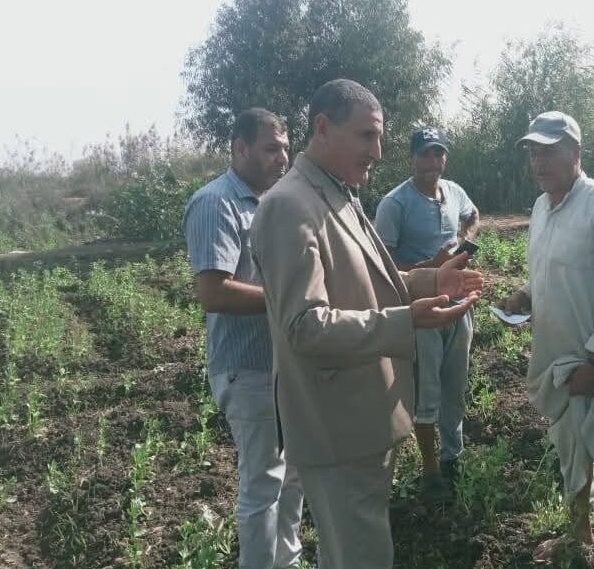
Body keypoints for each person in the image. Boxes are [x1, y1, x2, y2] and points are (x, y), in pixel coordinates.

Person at [250, 79, 483, 569]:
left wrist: (428, 279)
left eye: (379, 138)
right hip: (337, 429)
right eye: (366, 136)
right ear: (322, 128)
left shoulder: (337, 192)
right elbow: (305, 326)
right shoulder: (290, 205)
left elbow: (366, 278)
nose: (377, 151)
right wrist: (406, 321)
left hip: (363, 422)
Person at [500, 111, 594, 569]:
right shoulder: (542, 208)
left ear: (576, 153)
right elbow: (548, 276)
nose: (539, 161)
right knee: (571, 448)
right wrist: (524, 296)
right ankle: (578, 531)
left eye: (550, 150)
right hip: (559, 356)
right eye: (533, 151)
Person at [181, 107, 305, 569]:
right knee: (263, 483)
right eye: (271, 148)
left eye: (286, 148)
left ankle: (285, 562)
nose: (282, 157)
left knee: (293, 475)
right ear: (240, 148)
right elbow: (213, 291)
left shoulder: (273, 202)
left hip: (283, 366)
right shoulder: (217, 203)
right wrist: (288, 302)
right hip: (249, 368)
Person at [374, 127, 480, 502]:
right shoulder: (395, 204)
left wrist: (466, 241)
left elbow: (472, 213)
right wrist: (430, 266)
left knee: (456, 387)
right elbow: (382, 267)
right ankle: (431, 469)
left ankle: (454, 457)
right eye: (425, 155)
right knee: (427, 391)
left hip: (457, 306)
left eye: (439, 154)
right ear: (412, 158)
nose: (433, 163)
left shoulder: (454, 192)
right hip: (422, 311)